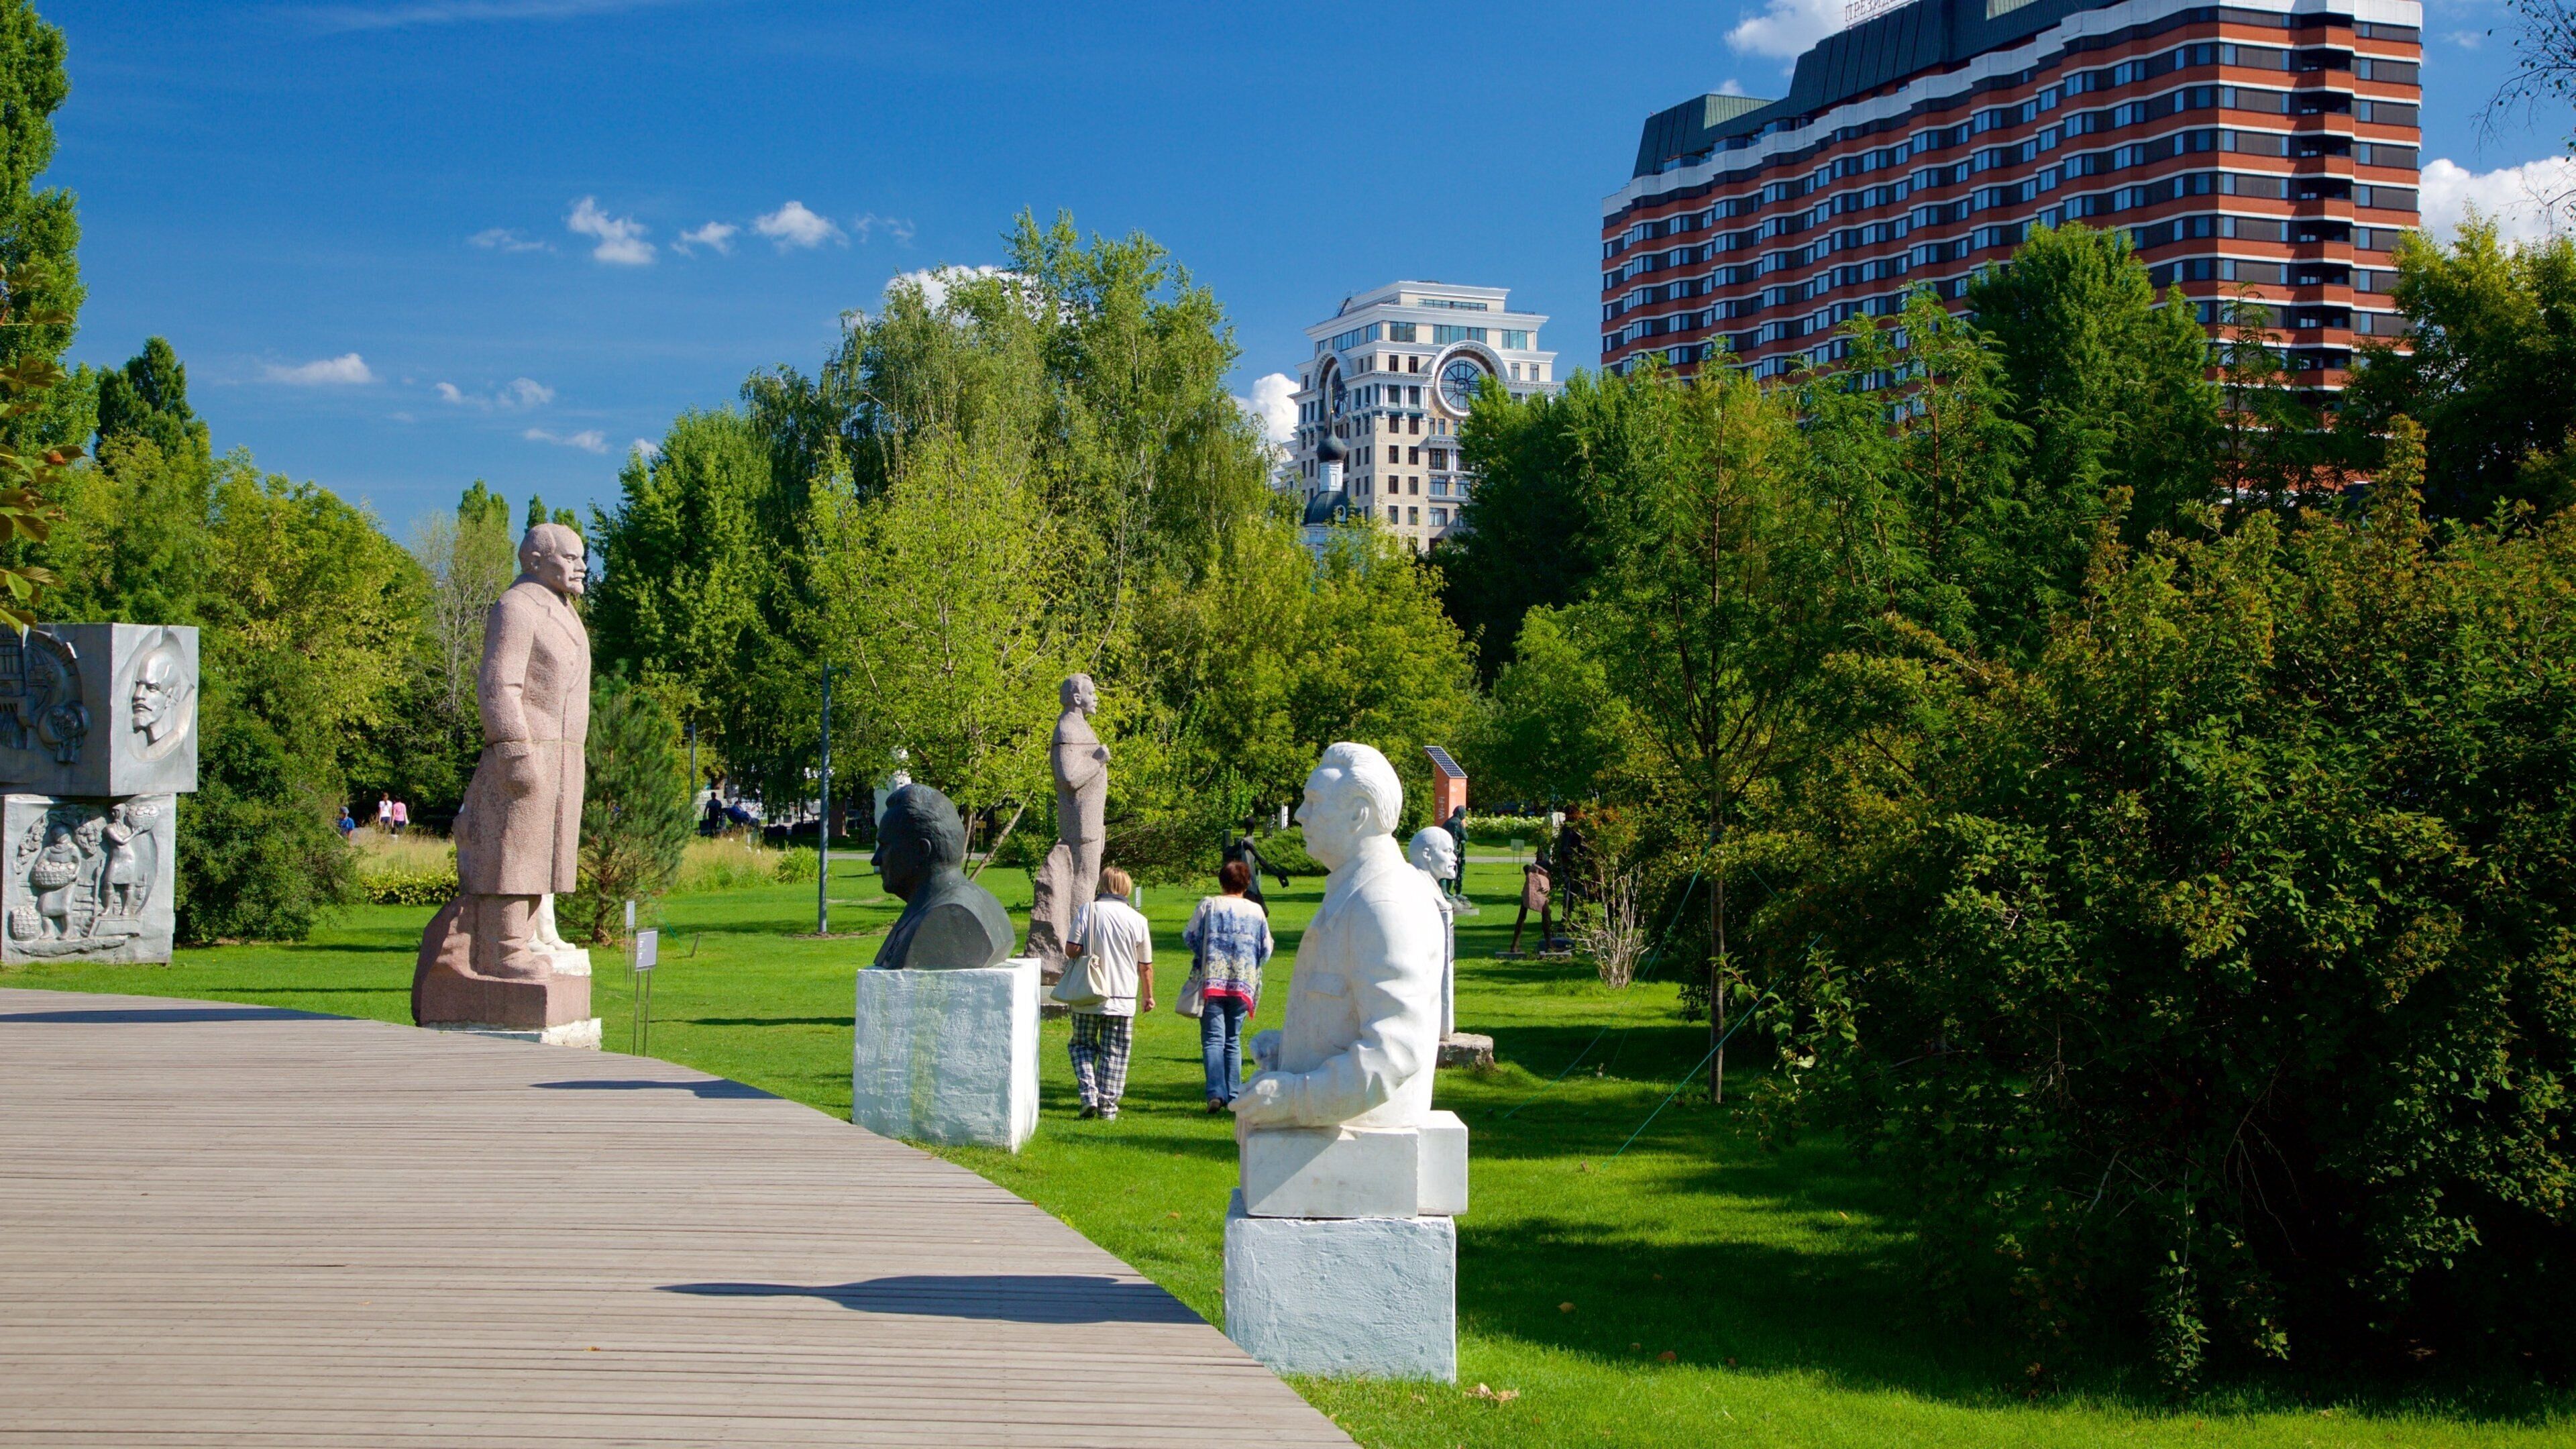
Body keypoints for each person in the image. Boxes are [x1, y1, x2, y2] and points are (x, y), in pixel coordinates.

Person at [1183, 859, 1275, 1112]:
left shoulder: (1209, 905)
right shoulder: (1256, 911)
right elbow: (1266, 949)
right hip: (1243, 983)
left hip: (1212, 980)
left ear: (1221, 882)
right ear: (1247, 883)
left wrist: (1206, 954)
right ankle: (1234, 1094)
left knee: (1213, 1039)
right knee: (1232, 1040)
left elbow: (1190, 937)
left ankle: (1215, 1093)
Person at [1064, 865, 1154, 1120]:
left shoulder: (1088, 910)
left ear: (1102, 885)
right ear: (1127, 888)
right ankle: (1108, 1108)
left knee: (1081, 1045)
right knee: (1116, 1053)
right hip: (1123, 996)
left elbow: (1071, 949)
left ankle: (1089, 1095)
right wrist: (1148, 995)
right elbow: (1145, 965)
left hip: (1088, 993)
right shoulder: (1138, 920)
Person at [1222, 816, 1293, 913]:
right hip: (1248, 886)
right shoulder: (1245, 842)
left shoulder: (1249, 840)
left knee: (1264, 912)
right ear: (1253, 827)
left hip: (1253, 884)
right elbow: (1261, 861)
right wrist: (1277, 873)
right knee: (1256, 913)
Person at [1510, 844, 1554, 954]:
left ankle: (1514, 945)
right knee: (1545, 915)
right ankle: (1549, 945)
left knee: (1522, 916)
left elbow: (1526, 868)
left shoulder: (1534, 870)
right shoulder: (1545, 872)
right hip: (1538, 889)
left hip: (1530, 888)